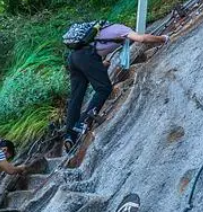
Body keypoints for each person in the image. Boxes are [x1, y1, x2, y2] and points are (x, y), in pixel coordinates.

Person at [63, 23, 170, 153]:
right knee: (104, 88)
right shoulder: (122, 29)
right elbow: (142, 39)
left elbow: (94, 54)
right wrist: (163, 39)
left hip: (73, 57)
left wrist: (101, 65)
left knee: (76, 97)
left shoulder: (101, 29)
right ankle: (83, 121)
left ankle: (69, 136)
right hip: (86, 56)